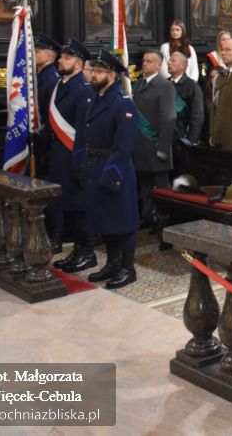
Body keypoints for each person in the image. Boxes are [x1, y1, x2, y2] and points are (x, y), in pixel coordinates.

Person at [72, 50, 141, 289]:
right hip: (94, 165)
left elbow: (123, 146)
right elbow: (83, 135)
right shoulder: (94, 99)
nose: (92, 74)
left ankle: (127, 268)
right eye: (93, 70)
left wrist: (111, 174)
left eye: (98, 71)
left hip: (115, 168)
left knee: (122, 221)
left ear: (112, 75)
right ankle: (112, 263)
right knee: (105, 219)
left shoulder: (123, 104)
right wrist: (80, 163)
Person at [44, 38, 92, 262]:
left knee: (79, 208)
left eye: (67, 57)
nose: (61, 60)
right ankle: (77, 251)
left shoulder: (82, 90)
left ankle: (85, 252)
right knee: (64, 204)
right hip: (58, 154)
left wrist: (79, 159)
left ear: (80, 64)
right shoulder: (58, 86)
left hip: (73, 153)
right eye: (61, 56)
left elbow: (83, 130)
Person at [132, 49, 178, 229]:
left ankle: (164, 221)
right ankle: (148, 217)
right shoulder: (137, 84)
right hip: (140, 145)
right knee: (144, 186)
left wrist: (163, 148)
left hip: (156, 144)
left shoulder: (164, 86)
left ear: (159, 65)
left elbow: (169, 117)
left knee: (161, 188)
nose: (145, 63)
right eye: (144, 61)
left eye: (150, 61)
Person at [168, 51, 205, 146]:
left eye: (173, 61)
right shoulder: (164, 84)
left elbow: (197, 116)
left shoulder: (192, 86)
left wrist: (190, 140)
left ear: (183, 66)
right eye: (169, 60)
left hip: (182, 140)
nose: (169, 63)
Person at [34, 34, 62, 119]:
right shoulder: (41, 75)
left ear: (49, 56)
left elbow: (50, 112)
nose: (32, 54)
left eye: (37, 52)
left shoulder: (52, 79)